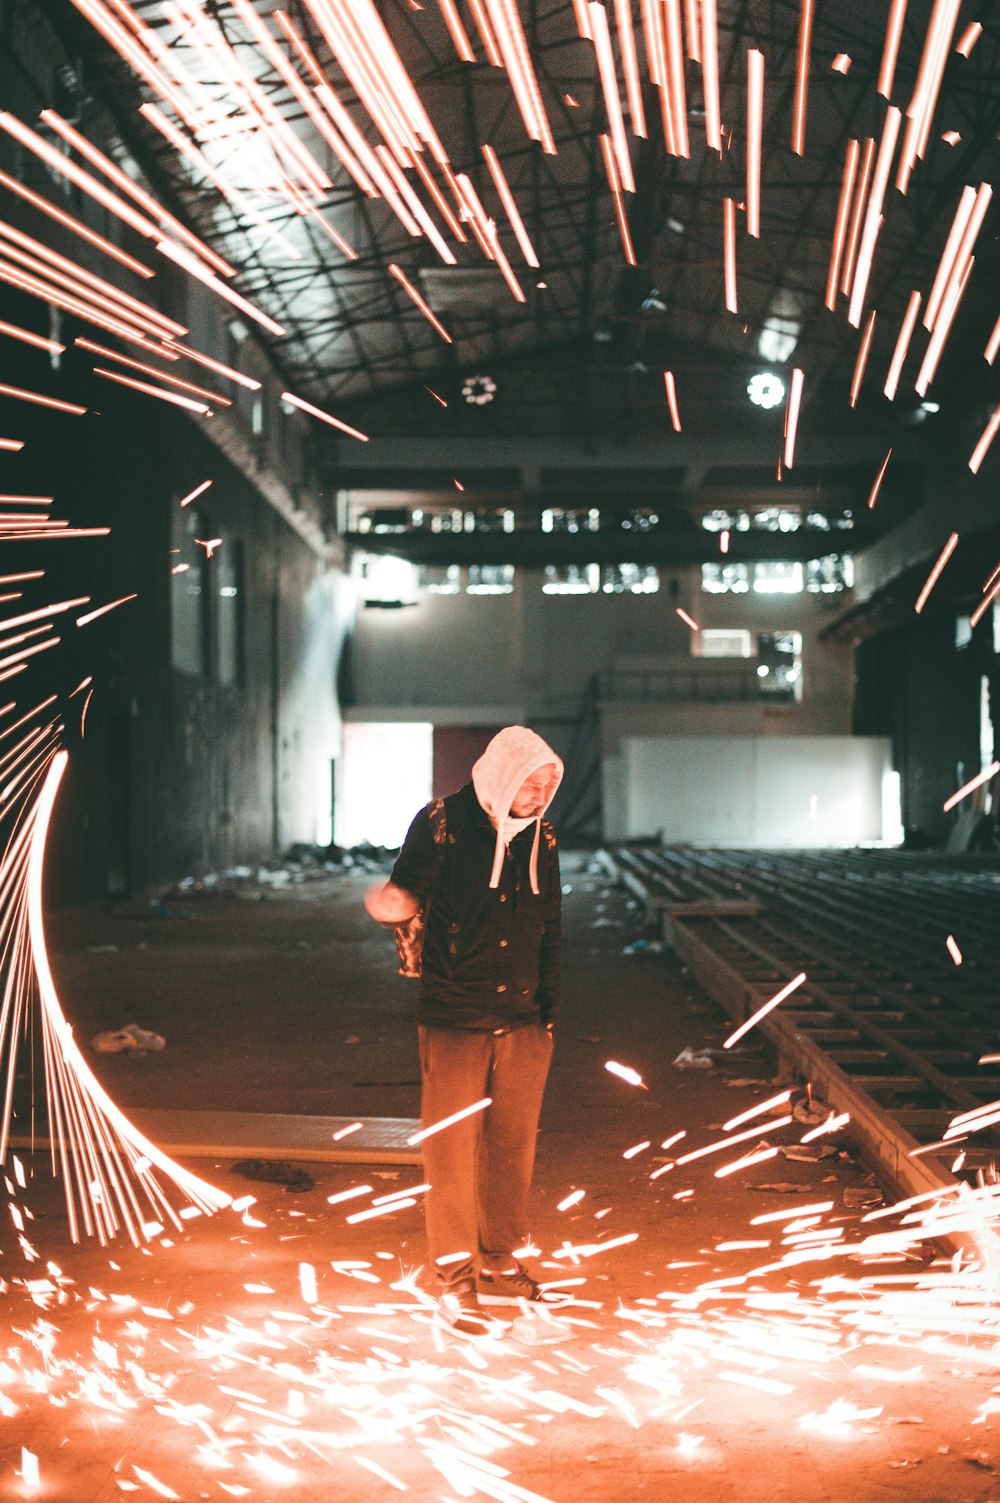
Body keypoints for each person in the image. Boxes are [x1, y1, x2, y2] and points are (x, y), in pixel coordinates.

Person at [365, 726, 563, 1334]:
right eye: (528, 783)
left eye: (546, 784)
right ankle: (454, 1278)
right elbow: (408, 891)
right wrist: (391, 903)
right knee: (450, 1153)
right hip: (454, 1014)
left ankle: (499, 1257)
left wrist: (548, 1010)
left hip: (524, 1019)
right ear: (500, 775)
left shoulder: (544, 838)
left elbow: (552, 921)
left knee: (512, 1147)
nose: (536, 794)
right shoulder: (442, 823)